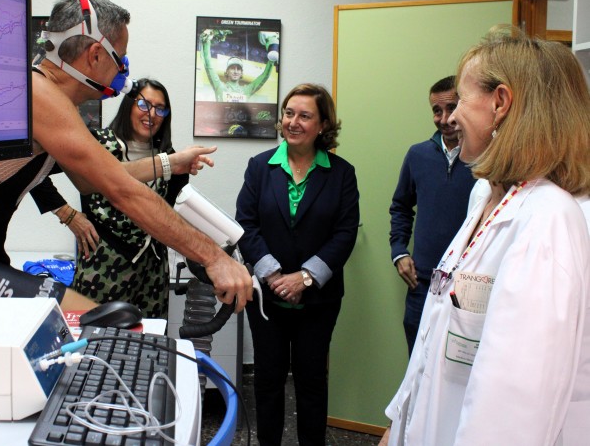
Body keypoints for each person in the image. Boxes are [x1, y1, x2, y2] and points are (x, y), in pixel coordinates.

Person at [0, 0, 253, 313]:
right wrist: (214, 257)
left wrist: (169, 163)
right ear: (96, 55)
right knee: (95, 321)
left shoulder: (46, 94)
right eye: (120, 58)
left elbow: (94, 179)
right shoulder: (38, 95)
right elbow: (121, 191)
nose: (123, 68)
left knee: (77, 330)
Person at [381, 26, 590, 445]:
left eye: (460, 100)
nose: (451, 116)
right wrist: (398, 424)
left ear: (500, 103)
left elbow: (512, 406)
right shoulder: (486, 195)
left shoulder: (546, 217)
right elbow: (438, 332)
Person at [236, 83, 360, 445]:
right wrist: (274, 275)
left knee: (310, 380)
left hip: (319, 301)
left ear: (323, 125)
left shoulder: (341, 173)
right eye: (289, 113)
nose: (293, 122)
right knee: (268, 378)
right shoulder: (260, 167)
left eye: (305, 115)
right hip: (267, 297)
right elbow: (246, 223)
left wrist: (305, 277)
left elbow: (345, 233)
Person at [73, 78, 187, 318]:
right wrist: (68, 215)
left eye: (160, 108)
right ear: (128, 105)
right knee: (94, 341)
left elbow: (168, 210)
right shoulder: (98, 143)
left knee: (150, 341)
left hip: (153, 268)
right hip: (103, 264)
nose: (152, 114)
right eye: (144, 105)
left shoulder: (171, 157)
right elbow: (40, 174)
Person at [389, 76, 476, 356]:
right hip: (423, 282)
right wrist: (399, 251)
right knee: (418, 364)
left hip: (467, 284)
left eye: (451, 108)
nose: (444, 118)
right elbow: (401, 207)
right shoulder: (418, 155)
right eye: (437, 111)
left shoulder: (485, 159)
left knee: (458, 371)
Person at [200, 28, 277, 103]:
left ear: (241, 73)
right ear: (226, 72)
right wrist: (207, 42)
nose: (236, 71)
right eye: (232, 68)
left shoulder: (246, 90)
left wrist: (271, 60)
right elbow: (208, 65)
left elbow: (264, 76)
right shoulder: (220, 87)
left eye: (238, 69)